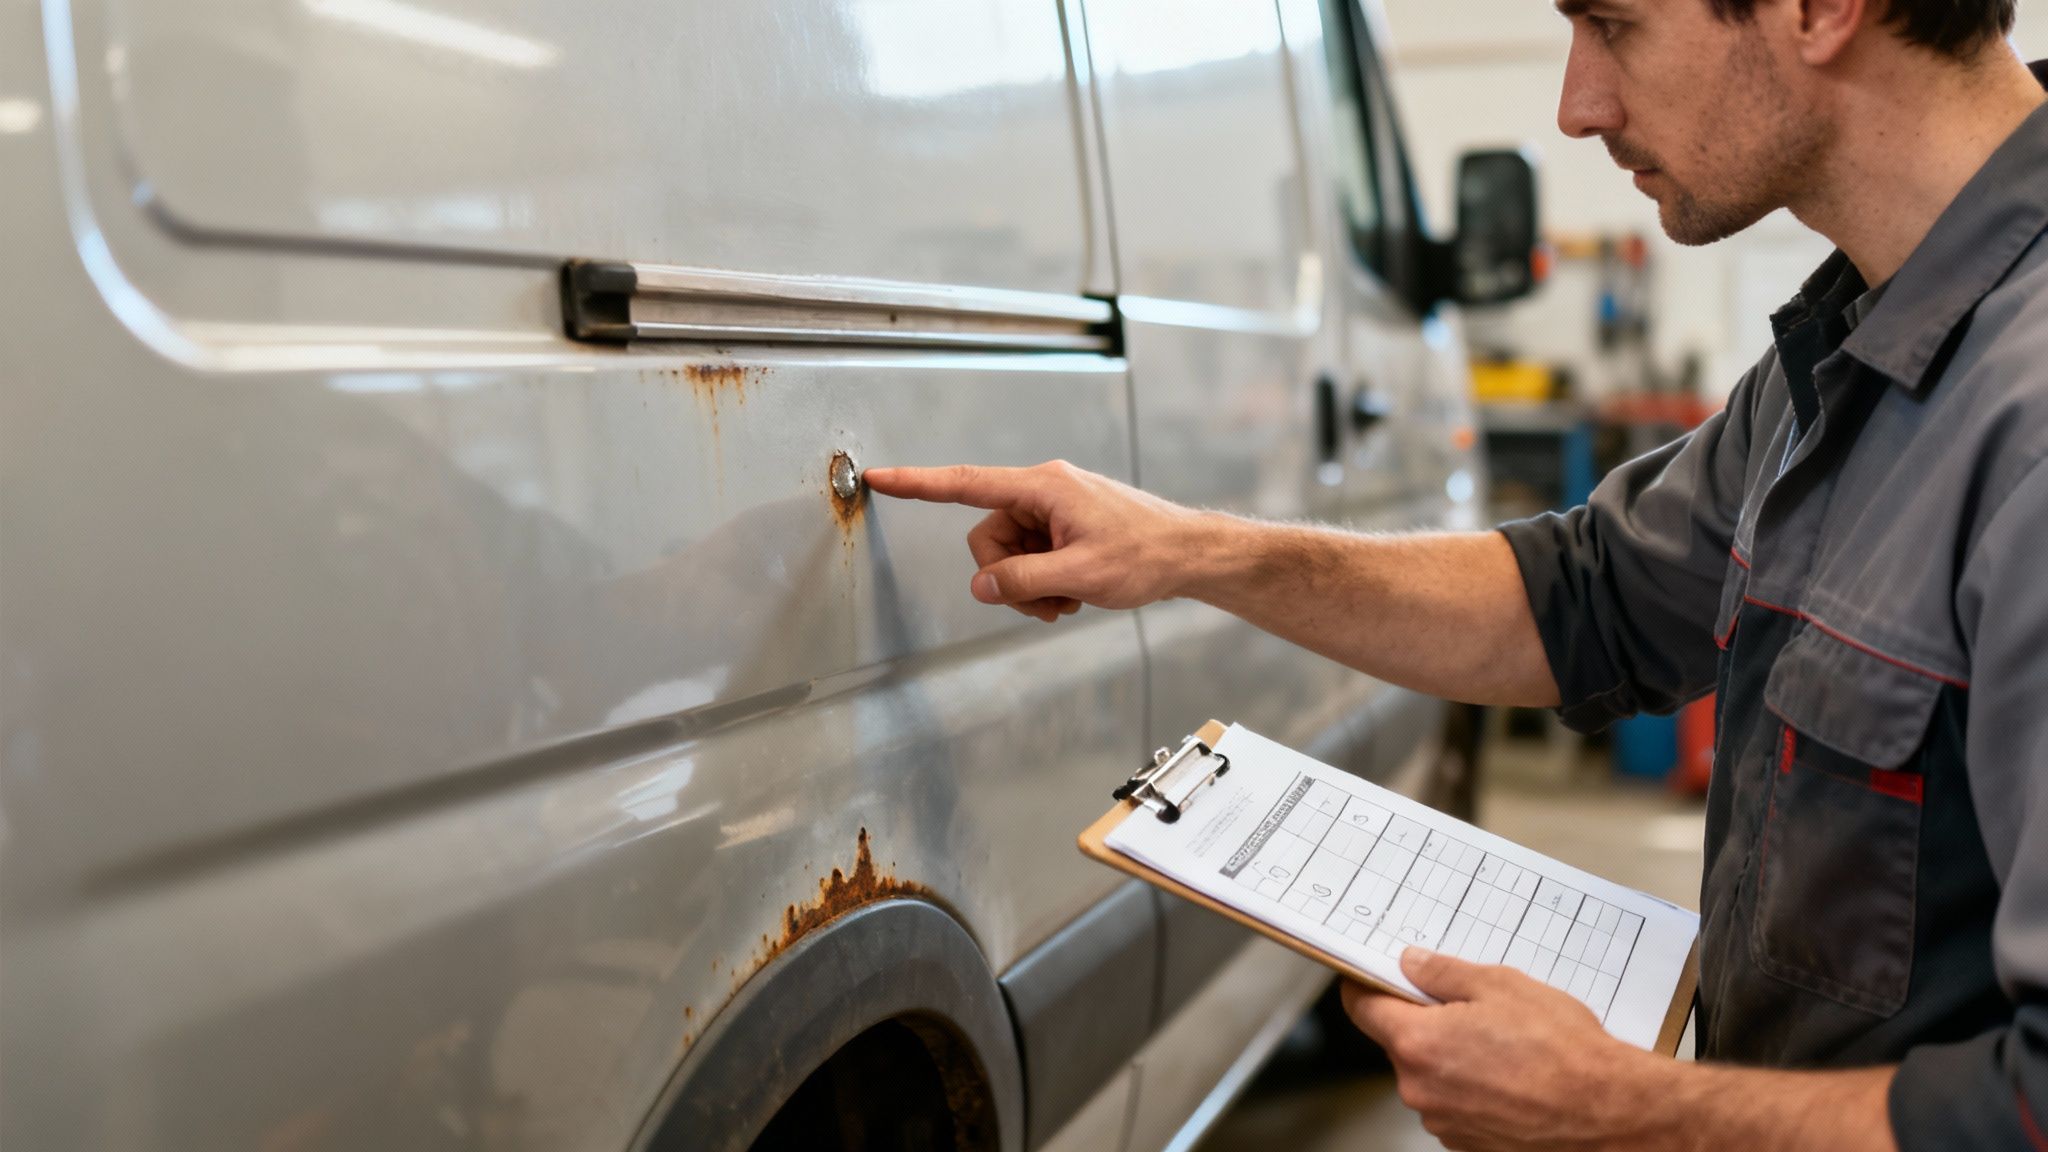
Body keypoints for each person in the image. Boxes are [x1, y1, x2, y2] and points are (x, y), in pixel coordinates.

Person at [865, 0, 2048, 1147]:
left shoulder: (2026, 420)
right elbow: (1590, 599)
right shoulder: (1845, 345)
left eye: (1613, 24)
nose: (1576, 105)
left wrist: (1623, 1115)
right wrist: (1184, 548)